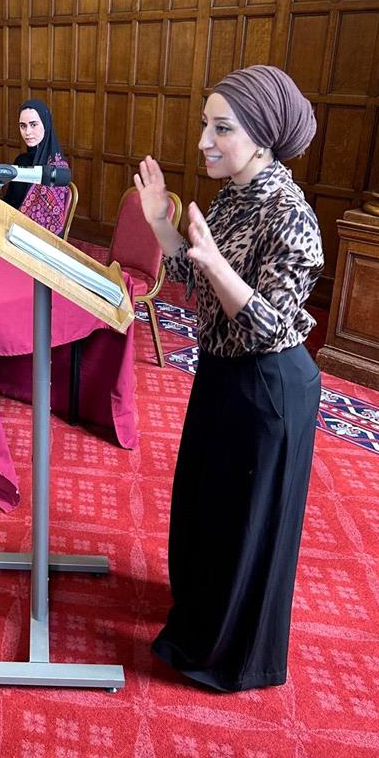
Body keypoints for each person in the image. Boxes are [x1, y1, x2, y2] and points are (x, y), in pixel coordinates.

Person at [135, 65, 324, 693]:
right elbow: (196, 280)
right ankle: (200, 614)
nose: (204, 142)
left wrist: (217, 265)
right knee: (206, 506)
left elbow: (271, 325)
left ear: (263, 137)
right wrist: (160, 222)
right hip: (222, 370)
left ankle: (231, 654)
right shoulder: (233, 196)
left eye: (221, 129)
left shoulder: (291, 214)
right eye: (205, 125)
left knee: (245, 524)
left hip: (269, 385)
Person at [8, 99, 70, 235]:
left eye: (33, 125)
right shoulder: (21, 160)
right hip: (10, 229)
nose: (27, 132)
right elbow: (8, 203)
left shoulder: (56, 169)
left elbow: (50, 225)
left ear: (46, 125)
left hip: (36, 239)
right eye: (23, 126)